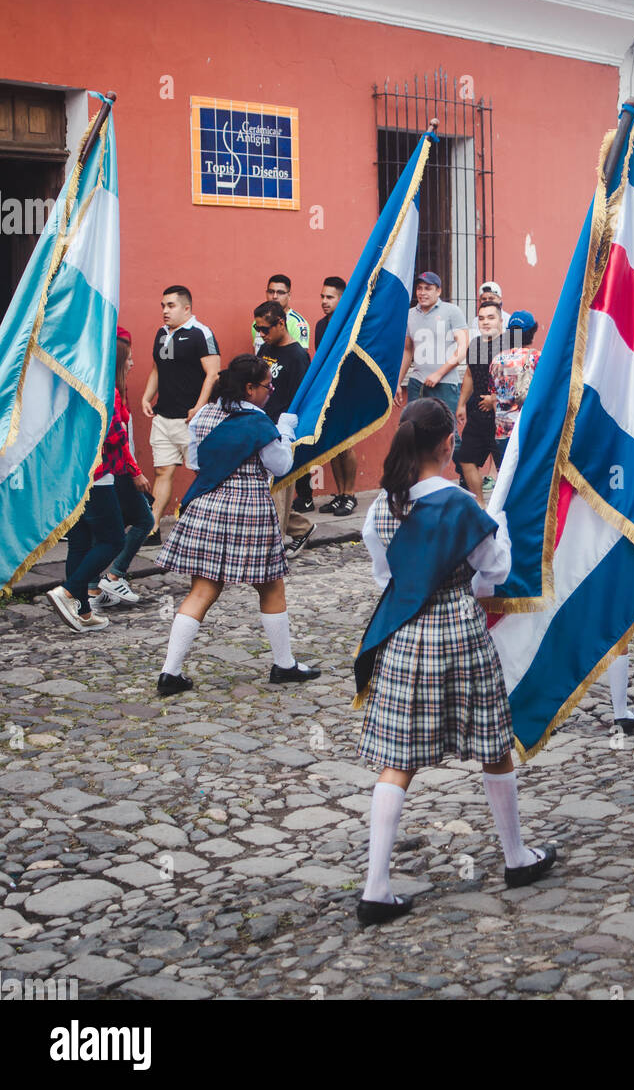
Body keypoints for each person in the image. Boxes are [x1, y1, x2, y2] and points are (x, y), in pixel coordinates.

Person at [353, 397, 556, 925]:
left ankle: (376, 886)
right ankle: (516, 857)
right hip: (460, 630)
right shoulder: (465, 505)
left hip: (404, 635)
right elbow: (495, 573)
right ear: (448, 445)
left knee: (397, 761)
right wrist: (500, 528)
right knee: (493, 746)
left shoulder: (381, 506)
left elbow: (385, 577)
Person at [154, 354, 320, 697]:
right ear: (249, 388)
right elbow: (281, 466)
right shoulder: (261, 424)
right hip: (249, 509)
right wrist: (286, 432)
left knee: (202, 590)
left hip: (207, 506)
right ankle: (284, 664)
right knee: (271, 588)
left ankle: (170, 672)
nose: (270, 390)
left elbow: (196, 462)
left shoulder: (203, 416)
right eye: (266, 385)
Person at [46, 343, 132, 632]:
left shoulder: (70, 383)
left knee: (81, 542)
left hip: (72, 474)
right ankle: (69, 591)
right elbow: (115, 433)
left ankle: (81, 612)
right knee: (113, 540)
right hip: (99, 475)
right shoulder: (101, 388)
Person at [142, 286, 220, 543]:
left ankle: (205, 527)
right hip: (163, 417)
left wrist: (199, 406)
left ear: (187, 308)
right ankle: (152, 528)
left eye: (171, 305)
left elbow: (213, 373)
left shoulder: (201, 333)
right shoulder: (160, 334)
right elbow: (157, 369)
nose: (165, 310)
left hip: (191, 421)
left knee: (202, 474)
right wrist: (146, 396)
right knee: (163, 471)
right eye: (163, 305)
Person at [89, 328, 154, 607]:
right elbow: (117, 437)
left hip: (114, 470)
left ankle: (92, 588)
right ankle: (110, 578)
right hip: (115, 470)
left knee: (104, 530)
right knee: (143, 520)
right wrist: (135, 470)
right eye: (129, 358)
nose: (133, 363)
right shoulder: (112, 393)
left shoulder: (115, 389)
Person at [254, 301, 313, 550]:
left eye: (265, 328)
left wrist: (287, 434)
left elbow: (299, 399)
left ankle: (272, 549)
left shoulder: (298, 356)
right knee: (262, 494)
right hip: (259, 426)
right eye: (258, 328)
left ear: (281, 323)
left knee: (278, 491)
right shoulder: (265, 348)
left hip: (282, 432)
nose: (261, 334)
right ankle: (302, 528)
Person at [394, 272, 468, 422]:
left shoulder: (452, 311)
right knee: (414, 429)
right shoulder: (410, 315)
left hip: (445, 384)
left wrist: (439, 374)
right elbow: (408, 350)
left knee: (446, 431)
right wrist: (398, 382)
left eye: (428, 288)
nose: (422, 293)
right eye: (419, 288)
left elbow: (463, 348)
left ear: (438, 291)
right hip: (417, 383)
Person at [455, 299, 509, 506]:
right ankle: (480, 504)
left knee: (504, 466)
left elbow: (521, 380)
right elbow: (469, 374)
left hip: (502, 417)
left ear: (500, 320)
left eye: (491, 318)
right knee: (466, 459)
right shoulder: (475, 344)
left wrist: (495, 399)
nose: (486, 322)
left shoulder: (509, 344)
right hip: (477, 413)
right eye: (482, 318)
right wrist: (461, 403)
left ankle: (502, 507)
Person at [314, 276, 358, 517]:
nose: (324, 301)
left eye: (329, 297)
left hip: (348, 391)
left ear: (341, 299)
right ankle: (340, 494)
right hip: (326, 393)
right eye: (322, 296)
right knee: (332, 445)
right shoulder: (321, 326)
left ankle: (350, 494)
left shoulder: (351, 325)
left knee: (346, 444)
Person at [489, 311, 541, 446]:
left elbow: (493, 395)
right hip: (528, 429)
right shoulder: (536, 358)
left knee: (504, 468)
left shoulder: (496, 360)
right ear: (532, 332)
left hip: (502, 430)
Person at [252, 274, 310, 352]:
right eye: (271, 292)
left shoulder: (298, 324)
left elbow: (299, 357)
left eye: (280, 292)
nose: (275, 296)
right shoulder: (257, 322)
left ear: (289, 295)